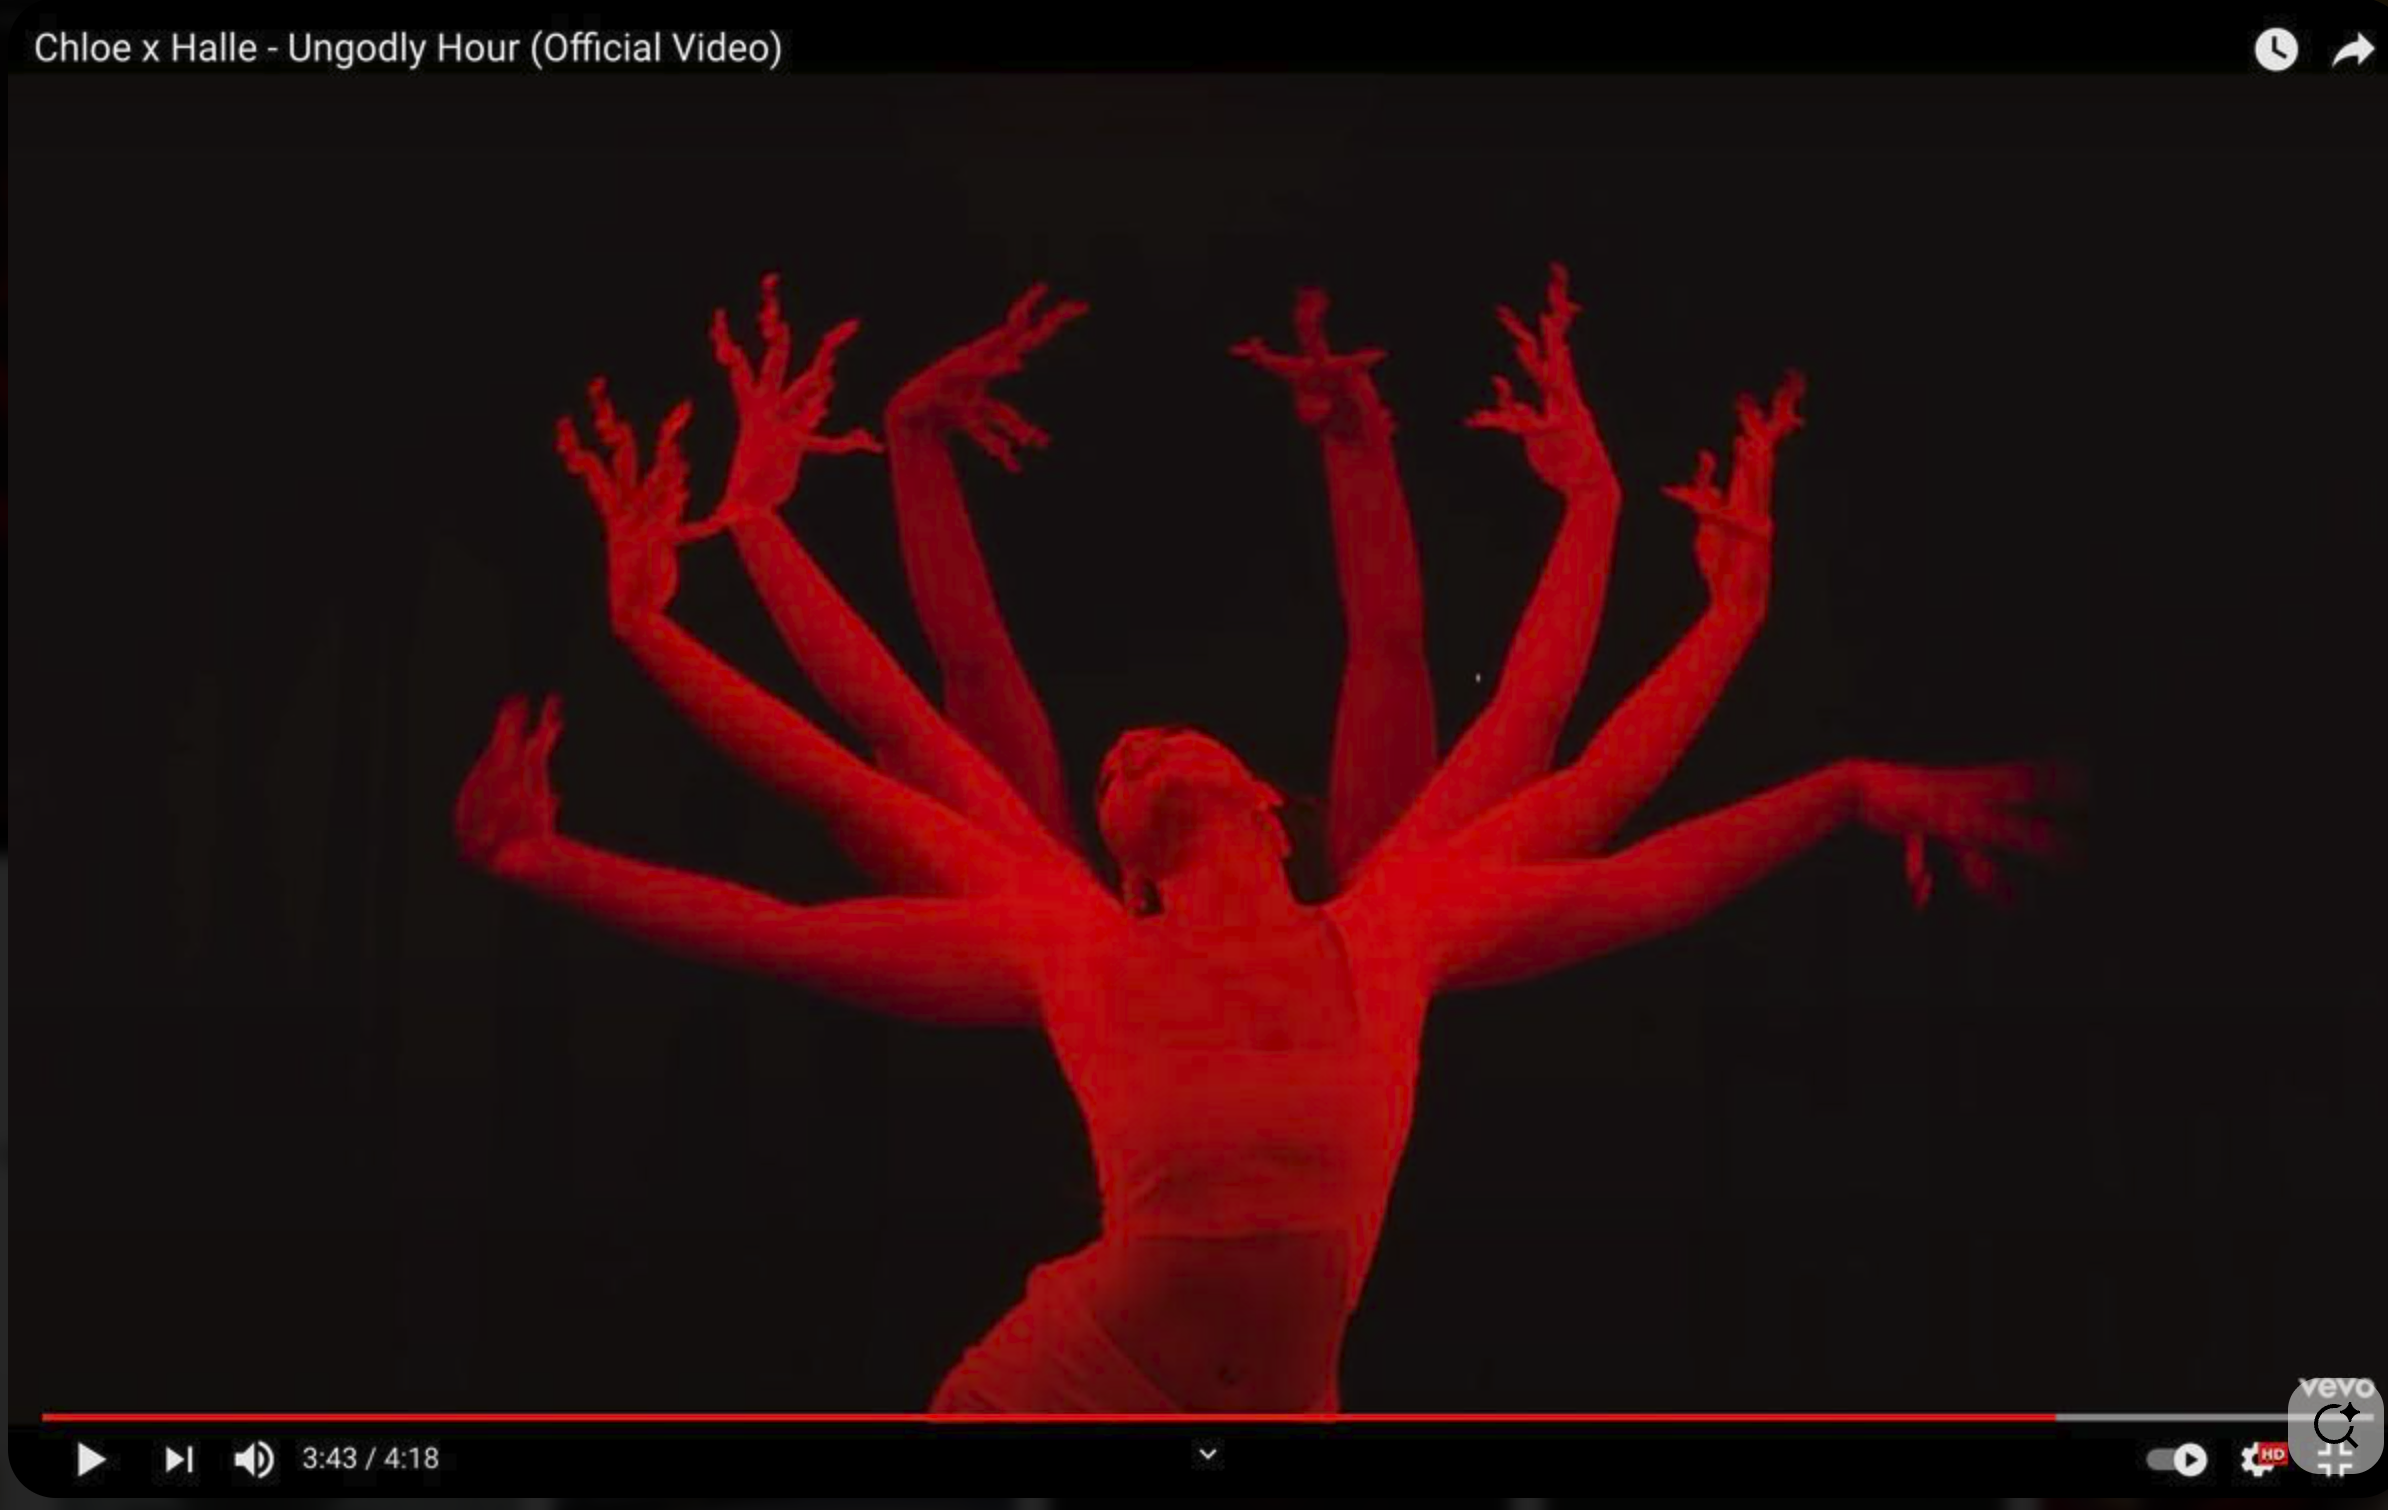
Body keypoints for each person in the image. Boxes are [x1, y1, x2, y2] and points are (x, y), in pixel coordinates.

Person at [454, 271, 2078, 1413]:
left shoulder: (1397, 923)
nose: (1128, 745)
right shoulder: (1075, 938)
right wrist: (569, 812)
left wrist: (1820, 758)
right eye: (1113, 766)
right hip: (1061, 1396)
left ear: (1265, 803)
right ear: (1128, 856)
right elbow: (817, 857)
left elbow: (1606, 811)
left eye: (1161, 738)